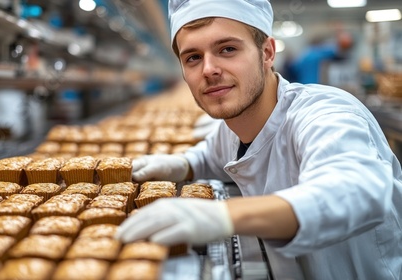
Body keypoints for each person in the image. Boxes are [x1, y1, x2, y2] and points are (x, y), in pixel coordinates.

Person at [115, 0, 402, 279]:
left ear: (267, 53)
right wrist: (180, 164)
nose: (209, 69)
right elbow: (210, 156)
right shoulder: (232, 127)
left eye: (227, 49)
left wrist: (223, 217)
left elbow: (356, 191)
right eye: (193, 57)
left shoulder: (325, 114)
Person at [285, 24, 354, 84]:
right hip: (314, 85)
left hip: (303, 85)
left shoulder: (305, 54)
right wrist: (339, 32)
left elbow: (294, 68)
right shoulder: (318, 53)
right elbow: (339, 48)